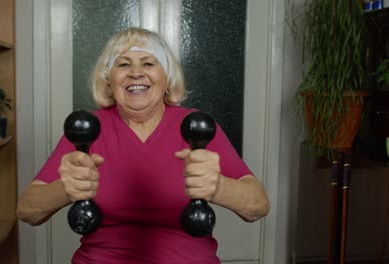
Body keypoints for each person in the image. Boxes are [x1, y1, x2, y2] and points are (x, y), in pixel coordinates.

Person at [16, 27, 270, 264]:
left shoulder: (196, 127)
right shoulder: (88, 130)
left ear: (166, 77)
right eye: (123, 64)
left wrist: (218, 187)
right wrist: (66, 188)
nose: (136, 72)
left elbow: (257, 206)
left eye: (148, 63)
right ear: (108, 80)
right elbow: (27, 210)